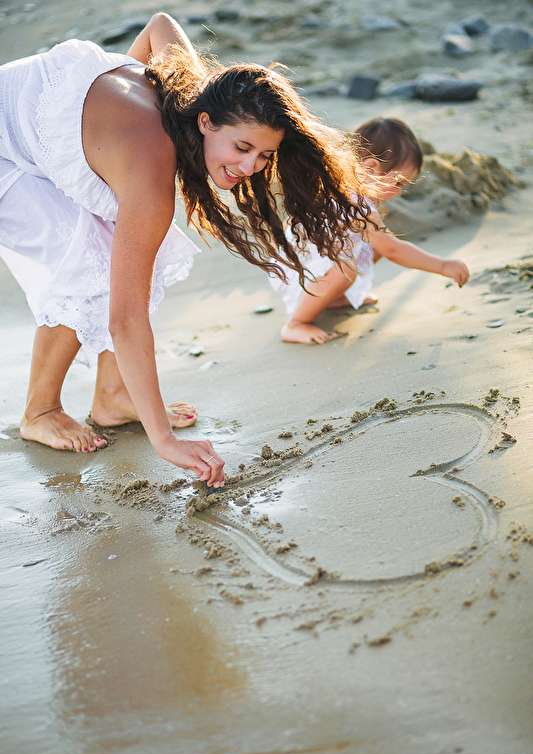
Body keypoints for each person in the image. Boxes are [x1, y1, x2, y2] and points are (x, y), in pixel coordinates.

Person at [0, 12, 374, 485]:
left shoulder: (195, 92)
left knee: (127, 248)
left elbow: (160, 24)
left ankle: (114, 395)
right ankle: (40, 411)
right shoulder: (150, 165)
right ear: (205, 122)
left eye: (264, 155)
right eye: (241, 147)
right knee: (91, 264)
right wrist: (164, 440)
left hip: (32, 124)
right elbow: (125, 318)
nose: (250, 167)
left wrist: (102, 117)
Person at [269, 117, 470, 344]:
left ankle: (334, 298)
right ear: (371, 168)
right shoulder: (353, 204)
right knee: (347, 268)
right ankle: (296, 323)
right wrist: (442, 266)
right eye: (399, 183)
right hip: (298, 273)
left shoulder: (345, 186)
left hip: (311, 264)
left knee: (372, 248)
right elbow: (394, 250)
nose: (400, 192)